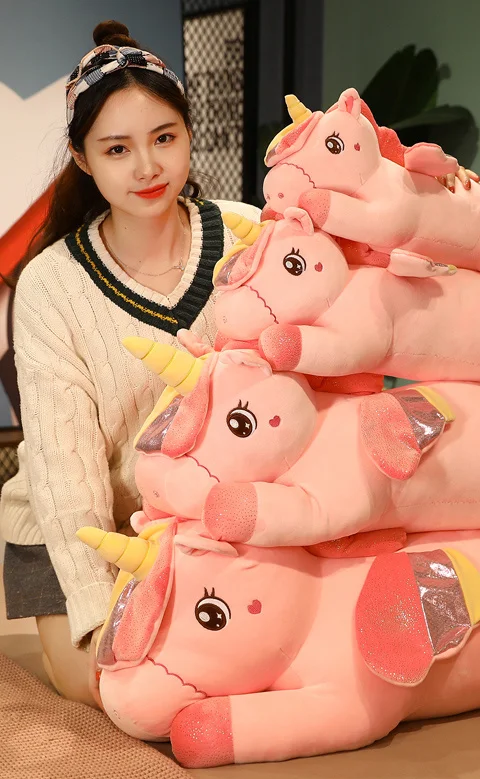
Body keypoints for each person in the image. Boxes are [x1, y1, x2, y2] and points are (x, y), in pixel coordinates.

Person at [0, 20, 263, 707]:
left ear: (187, 134)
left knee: (258, 657)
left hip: (215, 521)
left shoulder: (250, 235)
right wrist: (99, 612)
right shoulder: (51, 284)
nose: (147, 167)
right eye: (117, 149)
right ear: (83, 159)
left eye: (164, 138)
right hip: (81, 533)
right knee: (127, 689)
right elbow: (64, 474)